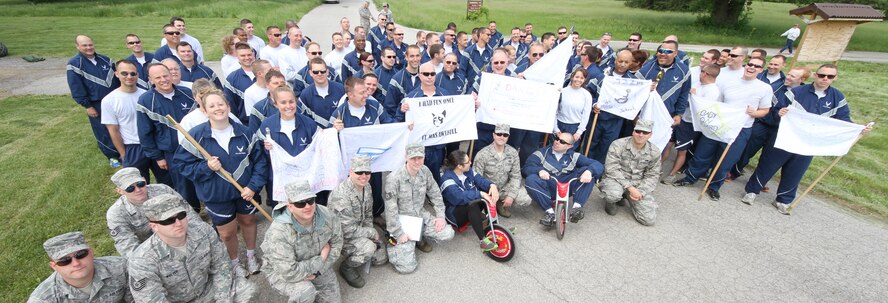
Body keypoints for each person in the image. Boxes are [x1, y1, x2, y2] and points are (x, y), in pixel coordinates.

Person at [742, 64, 871, 214]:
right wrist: (780, 113)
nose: (825, 79)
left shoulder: (838, 97)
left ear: (835, 78)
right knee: (768, 164)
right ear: (815, 75)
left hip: (809, 143)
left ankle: (783, 200)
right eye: (822, 75)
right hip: (786, 137)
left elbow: (843, 120)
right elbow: (775, 109)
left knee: (796, 171)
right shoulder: (797, 92)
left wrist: (859, 128)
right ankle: (752, 191)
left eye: (830, 76)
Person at [174, 91, 267, 275]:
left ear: (228, 107)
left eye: (221, 104)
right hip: (216, 194)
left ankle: (250, 255)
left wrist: (253, 186)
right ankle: (234, 262)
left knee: (248, 221)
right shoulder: (195, 136)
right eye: (212, 106)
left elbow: (261, 163)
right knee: (227, 233)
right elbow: (182, 164)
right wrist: (206, 167)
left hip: (246, 191)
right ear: (205, 110)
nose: (218, 108)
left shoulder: (246, 133)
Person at [674, 57, 772, 201]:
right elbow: (715, 103)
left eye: (756, 66)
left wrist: (754, 113)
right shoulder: (728, 82)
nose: (752, 67)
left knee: (726, 158)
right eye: (750, 64)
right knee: (703, 152)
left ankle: (714, 187)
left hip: (741, 128)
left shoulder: (764, 88)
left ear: (761, 70)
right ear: (746, 65)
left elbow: (765, 110)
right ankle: (690, 177)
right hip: (720, 124)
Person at [128, 194, 255, 302]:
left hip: (209, 290)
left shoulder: (203, 231)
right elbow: (153, 299)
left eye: (181, 215)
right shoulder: (142, 260)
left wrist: (223, 299)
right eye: (168, 221)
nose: (178, 223)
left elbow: (221, 265)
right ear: (154, 226)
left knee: (248, 290)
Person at [261, 180, 343, 302]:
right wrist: (321, 259)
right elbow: (290, 272)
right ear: (290, 207)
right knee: (305, 291)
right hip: (282, 273)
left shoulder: (326, 215)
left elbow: (337, 242)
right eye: (300, 203)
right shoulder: (278, 233)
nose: (307, 206)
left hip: (317, 266)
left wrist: (318, 271)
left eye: (310, 200)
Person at [384, 143, 455, 273]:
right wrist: (399, 233)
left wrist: (440, 216)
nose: (417, 162)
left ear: (424, 157)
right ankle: (394, 244)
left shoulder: (425, 171)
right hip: (402, 221)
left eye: (420, 158)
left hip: (420, 215)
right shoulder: (394, 179)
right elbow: (390, 210)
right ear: (406, 157)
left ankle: (418, 236)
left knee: (447, 232)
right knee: (407, 267)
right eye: (413, 158)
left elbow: (435, 193)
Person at [136, 63, 198, 210]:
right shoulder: (146, 101)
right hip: (173, 152)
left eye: (165, 75)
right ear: (150, 80)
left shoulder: (187, 93)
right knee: (184, 186)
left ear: (171, 75)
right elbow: (145, 132)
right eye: (158, 77)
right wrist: (157, 157)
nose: (163, 80)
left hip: (196, 148)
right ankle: (192, 213)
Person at [106, 167, 197, 258]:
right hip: (152, 252)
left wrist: (197, 236)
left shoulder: (163, 190)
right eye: (130, 188)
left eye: (140, 184)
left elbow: (189, 214)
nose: (138, 190)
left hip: (181, 236)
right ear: (120, 191)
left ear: (144, 180)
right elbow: (128, 247)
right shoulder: (116, 213)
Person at [329, 156, 388, 288]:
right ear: (350, 172)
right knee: (369, 249)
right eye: (359, 172)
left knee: (381, 258)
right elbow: (347, 230)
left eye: (367, 172)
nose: (364, 176)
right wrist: (371, 233)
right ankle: (346, 267)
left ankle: (367, 245)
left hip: (358, 228)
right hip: (341, 236)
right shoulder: (341, 196)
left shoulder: (366, 187)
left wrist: (370, 233)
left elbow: (368, 214)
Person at [525, 132, 604, 226]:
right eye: (556, 139)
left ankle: (577, 208)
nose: (557, 142)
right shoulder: (541, 153)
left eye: (562, 141)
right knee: (531, 179)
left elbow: (598, 165)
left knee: (588, 172)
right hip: (548, 186)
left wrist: (589, 171)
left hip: (567, 186)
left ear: (569, 146)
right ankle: (549, 213)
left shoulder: (574, 155)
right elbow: (526, 168)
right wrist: (539, 170)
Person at [28, 232, 131, 302]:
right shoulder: (43, 299)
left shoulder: (121, 268)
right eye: (65, 261)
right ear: (54, 266)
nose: (76, 263)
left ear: (90, 253)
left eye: (81, 254)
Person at [67, 34, 121, 167]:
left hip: (115, 100)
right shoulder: (74, 65)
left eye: (90, 44)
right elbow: (76, 87)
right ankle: (112, 156)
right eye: (84, 45)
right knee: (103, 130)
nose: (88, 47)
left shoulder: (105, 60)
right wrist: (87, 106)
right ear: (77, 46)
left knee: (120, 126)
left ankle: (124, 150)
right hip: (96, 103)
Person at [102, 60, 160, 183]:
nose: (129, 77)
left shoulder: (148, 95)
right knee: (138, 185)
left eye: (133, 74)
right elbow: (113, 130)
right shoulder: (109, 100)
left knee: (167, 181)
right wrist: (123, 154)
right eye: (125, 73)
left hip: (153, 144)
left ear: (137, 75)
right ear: (117, 74)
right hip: (132, 147)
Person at [731, 55, 788, 180]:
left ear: (783, 66)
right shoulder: (759, 75)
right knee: (746, 148)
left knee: (766, 155)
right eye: (771, 63)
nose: (772, 66)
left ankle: (759, 180)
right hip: (757, 120)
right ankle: (733, 171)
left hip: (773, 120)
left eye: (776, 65)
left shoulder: (785, 81)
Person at [261, 86, 319, 207]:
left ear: (296, 101)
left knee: (306, 211)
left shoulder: (308, 123)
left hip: (306, 180)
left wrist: (334, 131)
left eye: (291, 101)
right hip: (282, 182)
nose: (288, 106)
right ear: (275, 104)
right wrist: (266, 149)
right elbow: (261, 156)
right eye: (283, 102)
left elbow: (319, 147)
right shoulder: (267, 126)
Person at [663, 63, 720, 183]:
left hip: (691, 124)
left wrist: (694, 96)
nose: (700, 74)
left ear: (706, 74)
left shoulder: (713, 91)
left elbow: (704, 110)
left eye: (702, 72)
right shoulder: (698, 84)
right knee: (668, 143)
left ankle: (672, 174)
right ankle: (656, 166)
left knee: (681, 150)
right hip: (680, 118)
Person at [599, 120, 661, 225]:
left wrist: (641, 191)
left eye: (645, 133)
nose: (641, 135)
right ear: (633, 131)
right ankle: (613, 201)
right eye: (638, 131)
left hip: (638, 185)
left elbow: (652, 175)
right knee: (612, 194)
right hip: (616, 180)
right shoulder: (618, 144)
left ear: (650, 135)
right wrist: (630, 188)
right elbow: (611, 169)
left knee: (648, 220)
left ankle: (626, 196)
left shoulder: (654, 152)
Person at [440, 150, 500, 252]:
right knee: (473, 204)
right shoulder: (446, 179)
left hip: (470, 204)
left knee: (488, 192)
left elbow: (480, 180)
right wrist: (480, 194)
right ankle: (483, 241)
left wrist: (492, 185)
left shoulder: (469, 171)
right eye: (468, 162)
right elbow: (458, 197)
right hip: (455, 214)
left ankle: (495, 228)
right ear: (459, 166)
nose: (470, 163)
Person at [473, 124, 532, 217]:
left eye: (505, 135)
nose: (501, 137)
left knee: (525, 199)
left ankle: (500, 203)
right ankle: (488, 204)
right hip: (488, 190)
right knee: (484, 217)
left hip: (504, 188)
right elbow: (476, 178)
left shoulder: (513, 153)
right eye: (499, 134)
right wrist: (485, 195)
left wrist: (511, 196)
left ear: (508, 137)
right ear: (493, 135)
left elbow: (516, 176)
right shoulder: (482, 154)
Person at [299, 57, 347, 128]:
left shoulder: (341, 89)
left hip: (340, 132)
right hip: (318, 135)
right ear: (310, 73)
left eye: (322, 71)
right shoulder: (305, 94)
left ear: (327, 72)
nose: (319, 74)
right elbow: (304, 119)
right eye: (316, 72)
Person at [556, 68, 594, 152]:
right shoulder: (562, 91)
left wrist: (579, 132)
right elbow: (556, 111)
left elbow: (586, 115)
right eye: (577, 77)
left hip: (574, 127)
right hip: (560, 124)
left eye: (582, 78)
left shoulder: (586, 95)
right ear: (572, 77)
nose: (578, 80)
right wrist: (556, 128)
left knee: (569, 152)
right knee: (556, 148)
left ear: (584, 80)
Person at [384, 45, 422, 120]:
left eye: (417, 56)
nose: (415, 59)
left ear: (420, 57)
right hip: (404, 123)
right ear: (406, 57)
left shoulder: (427, 76)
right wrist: (400, 111)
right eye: (412, 56)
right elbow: (390, 107)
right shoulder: (396, 79)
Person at [224, 42, 257, 123]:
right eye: (243, 55)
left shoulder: (264, 74)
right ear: (237, 57)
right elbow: (231, 105)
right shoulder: (232, 79)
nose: (247, 58)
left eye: (249, 55)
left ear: (253, 54)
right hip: (245, 123)